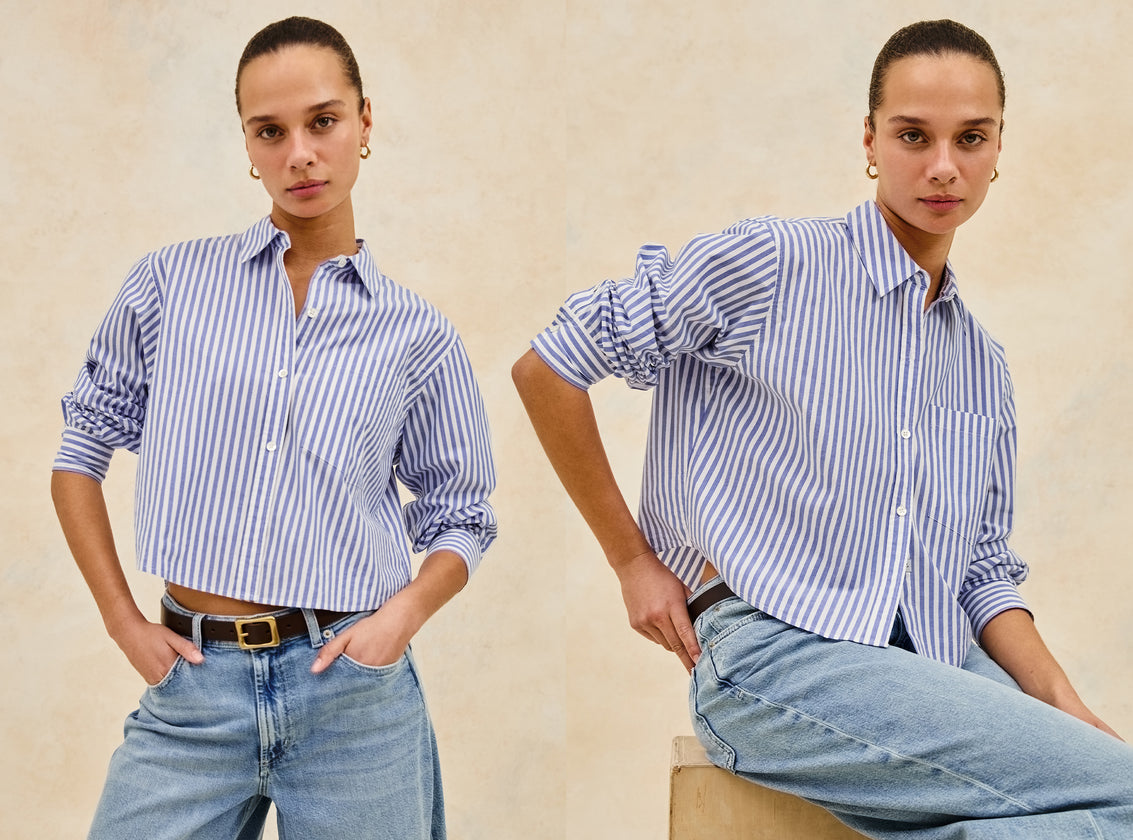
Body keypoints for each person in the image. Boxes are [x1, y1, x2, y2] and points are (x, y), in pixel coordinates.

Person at [513, 18, 1133, 839]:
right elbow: (549, 365)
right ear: (869, 139)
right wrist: (632, 561)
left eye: (969, 138)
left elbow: (980, 573)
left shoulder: (981, 364)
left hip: (931, 660)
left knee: (1103, 791)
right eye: (913, 135)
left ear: (996, 151)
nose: (943, 166)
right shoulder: (770, 266)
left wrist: (1066, 709)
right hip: (776, 656)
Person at [51, 16, 495, 839]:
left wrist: (395, 623)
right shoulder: (169, 287)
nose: (299, 153)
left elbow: (463, 516)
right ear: (247, 145)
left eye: (322, 122)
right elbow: (79, 456)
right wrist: (122, 621)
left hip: (352, 697)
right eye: (271, 130)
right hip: (195, 685)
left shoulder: (416, 335)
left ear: (365, 123)